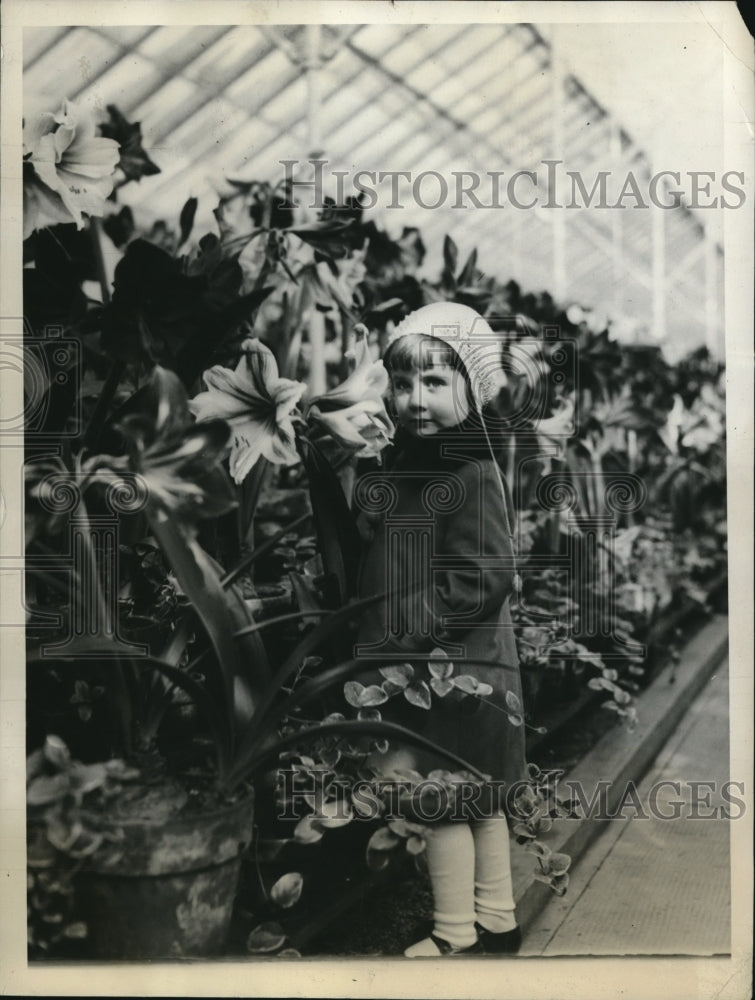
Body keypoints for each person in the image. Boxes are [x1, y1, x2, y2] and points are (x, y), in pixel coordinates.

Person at [352, 302, 527, 957]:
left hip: (451, 667)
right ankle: (498, 921)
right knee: (479, 800)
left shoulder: (469, 470)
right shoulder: (417, 460)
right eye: (402, 383)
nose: (413, 399)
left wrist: (402, 629)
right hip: (463, 668)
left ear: (471, 388)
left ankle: (454, 935)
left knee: (443, 802)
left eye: (433, 382)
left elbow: (481, 577)